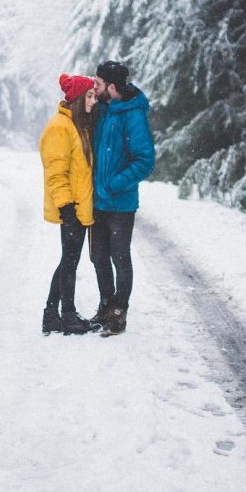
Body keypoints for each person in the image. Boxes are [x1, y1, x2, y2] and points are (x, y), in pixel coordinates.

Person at [90, 60, 155, 335]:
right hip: (97, 202)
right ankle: (105, 305)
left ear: (112, 87)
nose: (94, 86)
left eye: (98, 83)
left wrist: (116, 183)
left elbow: (145, 160)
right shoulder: (102, 110)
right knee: (97, 257)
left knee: (119, 257)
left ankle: (119, 312)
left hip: (120, 203)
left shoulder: (133, 115)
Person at [39, 73, 98, 335]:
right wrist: (66, 208)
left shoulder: (76, 125)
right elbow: (56, 173)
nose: (94, 100)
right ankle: (67, 315)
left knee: (69, 260)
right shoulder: (59, 128)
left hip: (78, 207)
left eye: (95, 95)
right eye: (89, 96)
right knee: (69, 261)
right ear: (76, 98)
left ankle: (53, 315)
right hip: (70, 208)